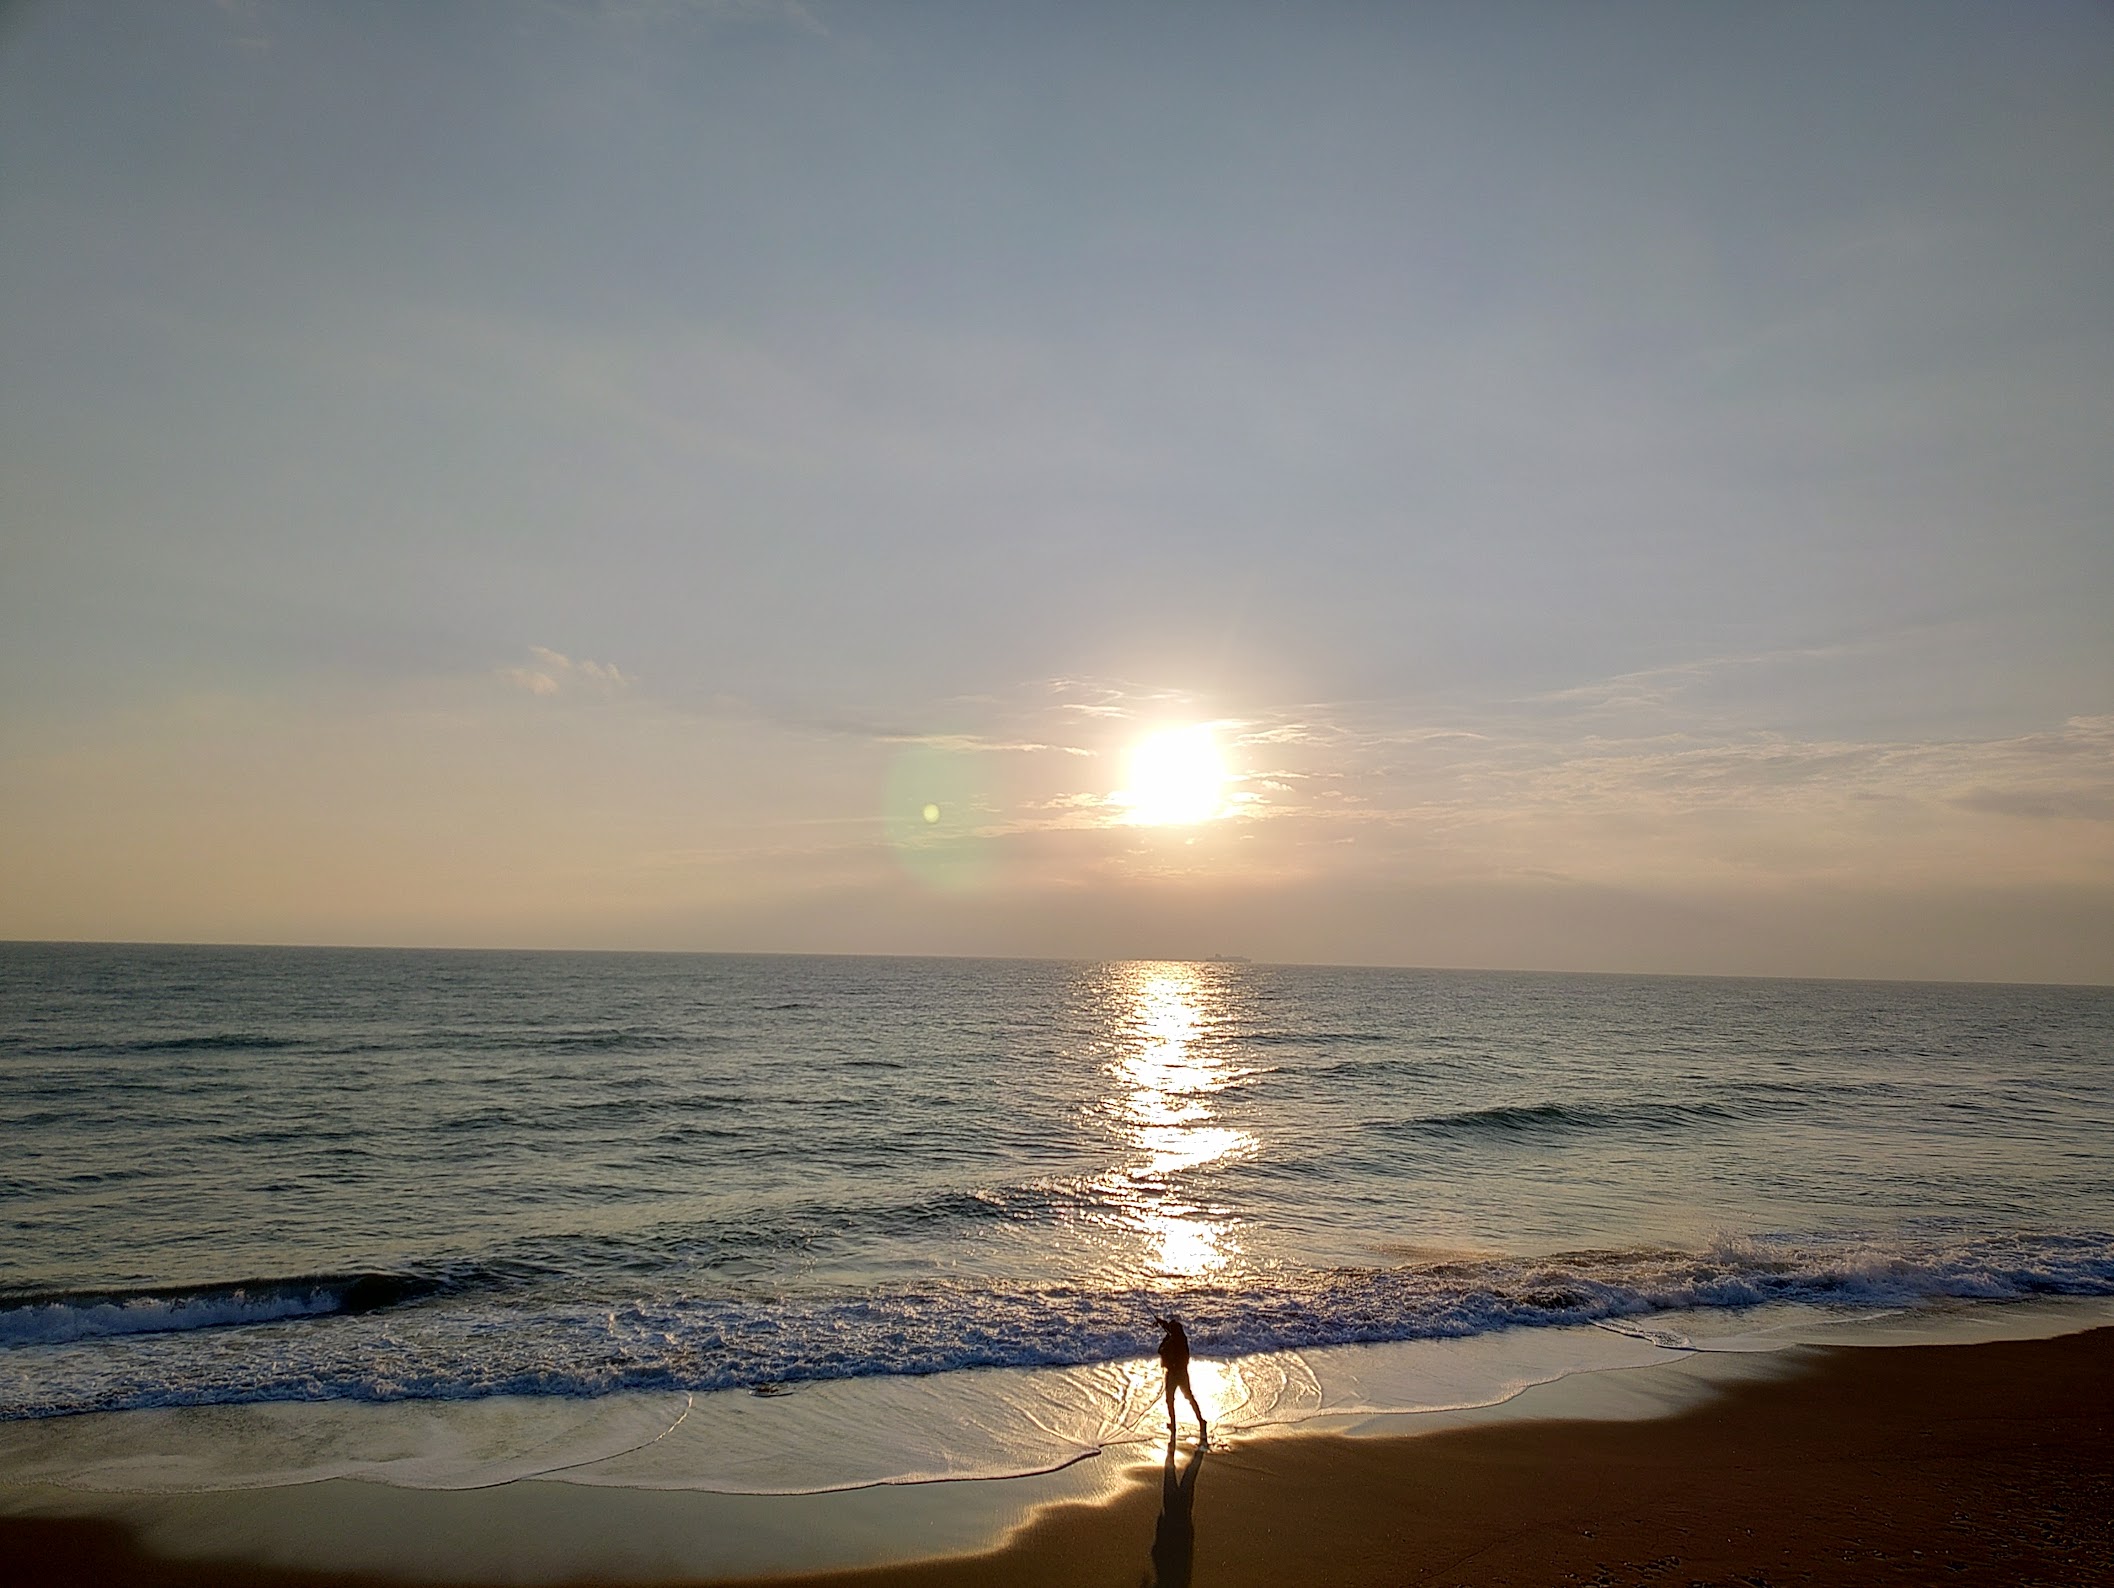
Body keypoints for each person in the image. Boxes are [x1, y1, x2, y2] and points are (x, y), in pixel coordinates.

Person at [1154, 1315, 1208, 1445]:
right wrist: (1160, 1322)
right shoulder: (1182, 1339)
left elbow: (1160, 1350)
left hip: (1173, 1375)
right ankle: (1201, 1420)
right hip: (1183, 1374)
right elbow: (1168, 1327)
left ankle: (1173, 1424)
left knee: (1170, 1400)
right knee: (1189, 1397)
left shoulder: (1170, 1341)